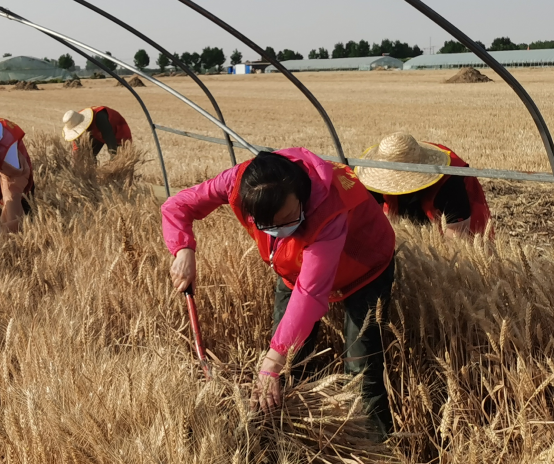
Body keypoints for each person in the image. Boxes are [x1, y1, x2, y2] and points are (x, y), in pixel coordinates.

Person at [162, 149, 397, 439]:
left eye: (289, 219)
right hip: (293, 269)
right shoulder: (240, 183)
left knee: (361, 368)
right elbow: (176, 206)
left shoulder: (329, 210)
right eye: (269, 225)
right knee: (289, 360)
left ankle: (376, 446)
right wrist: (183, 250)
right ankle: (291, 434)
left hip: (364, 265)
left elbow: (310, 293)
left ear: (303, 197)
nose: (281, 231)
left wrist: (271, 363)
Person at [356, 132, 491, 237]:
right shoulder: (373, 180)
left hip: (453, 211)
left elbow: (456, 242)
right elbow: (373, 226)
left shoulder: (451, 185)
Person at [62, 106, 132, 159]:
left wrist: (113, 163)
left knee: (121, 158)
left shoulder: (99, 117)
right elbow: (76, 149)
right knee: (87, 156)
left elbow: (110, 141)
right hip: (95, 132)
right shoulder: (73, 121)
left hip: (117, 130)